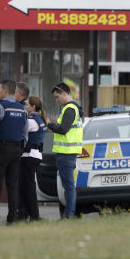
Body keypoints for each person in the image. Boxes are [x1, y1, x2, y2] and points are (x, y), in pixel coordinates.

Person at [0, 80, 29, 226]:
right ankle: (12, 219)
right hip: (16, 150)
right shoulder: (22, 109)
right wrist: (21, 148)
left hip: (1, 149)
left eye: (0, 89)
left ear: (4, 90)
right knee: (12, 185)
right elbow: (25, 133)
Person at [47, 82, 83, 218]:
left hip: (66, 154)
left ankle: (69, 214)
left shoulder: (69, 109)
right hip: (69, 153)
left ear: (64, 93)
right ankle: (69, 213)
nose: (56, 100)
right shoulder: (74, 108)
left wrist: (49, 124)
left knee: (68, 186)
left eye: (57, 97)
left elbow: (63, 129)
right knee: (68, 185)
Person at [17, 96, 48, 221]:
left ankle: (33, 215)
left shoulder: (31, 121)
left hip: (28, 156)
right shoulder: (40, 119)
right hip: (35, 155)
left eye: (27, 105)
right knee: (28, 186)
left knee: (27, 187)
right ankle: (30, 214)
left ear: (33, 107)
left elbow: (19, 131)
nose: (25, 106)